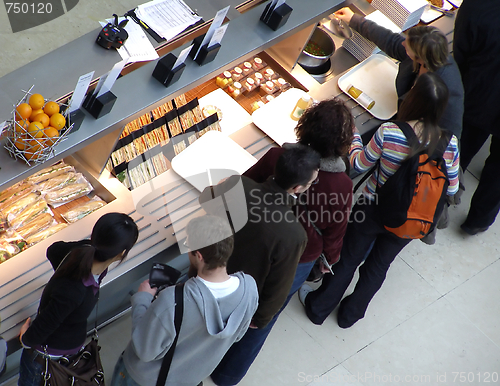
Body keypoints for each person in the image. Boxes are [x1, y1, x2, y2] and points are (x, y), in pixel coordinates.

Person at [299, 73, 460, 329]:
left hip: (373, 208)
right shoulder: (449, 142)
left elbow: (359, 163)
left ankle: (319, 307)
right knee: (378, 266)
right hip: (411, 218)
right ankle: (349, 316)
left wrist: (353, 138)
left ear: (413, 99)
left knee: (349, 257)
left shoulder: (391, 131)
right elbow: (451, 185)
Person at [200, 146, 320, 386]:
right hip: (236, 298)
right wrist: (261, 318)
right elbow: (279, 285)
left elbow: (207, 198)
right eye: (311, 183)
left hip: (204, 273)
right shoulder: (293, 234)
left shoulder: (239, 184)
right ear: (297, 188)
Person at [111, 215, 258, 386]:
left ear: (199, 256)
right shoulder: (250, 289)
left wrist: (142, 300)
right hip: (189, 379)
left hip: (145, 379)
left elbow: (144, 349)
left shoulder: (172, 301)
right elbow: (238, 335)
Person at [18, 212, 139, 386]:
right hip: (48, 359)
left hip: (67, 348)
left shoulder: (83, 251)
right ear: (121, 253)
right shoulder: (74, 291)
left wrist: (65, 272)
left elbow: (53, 250)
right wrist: (24, 339)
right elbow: (37, 332)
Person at [335, 7, 464, 139]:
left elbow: (443, 138)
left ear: (419, 57)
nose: (402, 43)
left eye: (407, 45)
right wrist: (354, 20)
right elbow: (391, 41)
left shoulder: (440, 91)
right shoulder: (429, 56)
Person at [453, 0, 500, 235]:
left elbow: (459, 56)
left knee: (460, 150)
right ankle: (478, 221)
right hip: (482, 95)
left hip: (478, 97)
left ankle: (439, 200)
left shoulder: (478, 5)